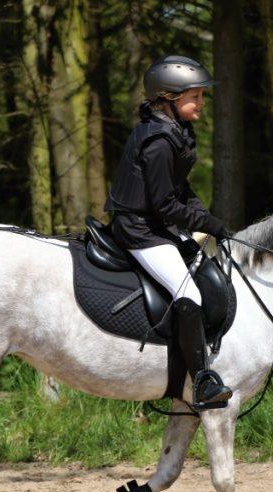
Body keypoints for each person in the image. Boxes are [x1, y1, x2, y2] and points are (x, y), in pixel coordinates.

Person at [104, 55, 232, 410]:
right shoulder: (158, 141)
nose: (201, 103)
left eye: (202, 96)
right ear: (169, 98)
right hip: (140, 230)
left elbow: (180, 189)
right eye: (195, 97)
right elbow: (165, 205)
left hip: (157, 225)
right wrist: (209, 225)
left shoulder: (175, 130)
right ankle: (202, 381)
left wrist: (204, 216)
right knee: (187, 291)